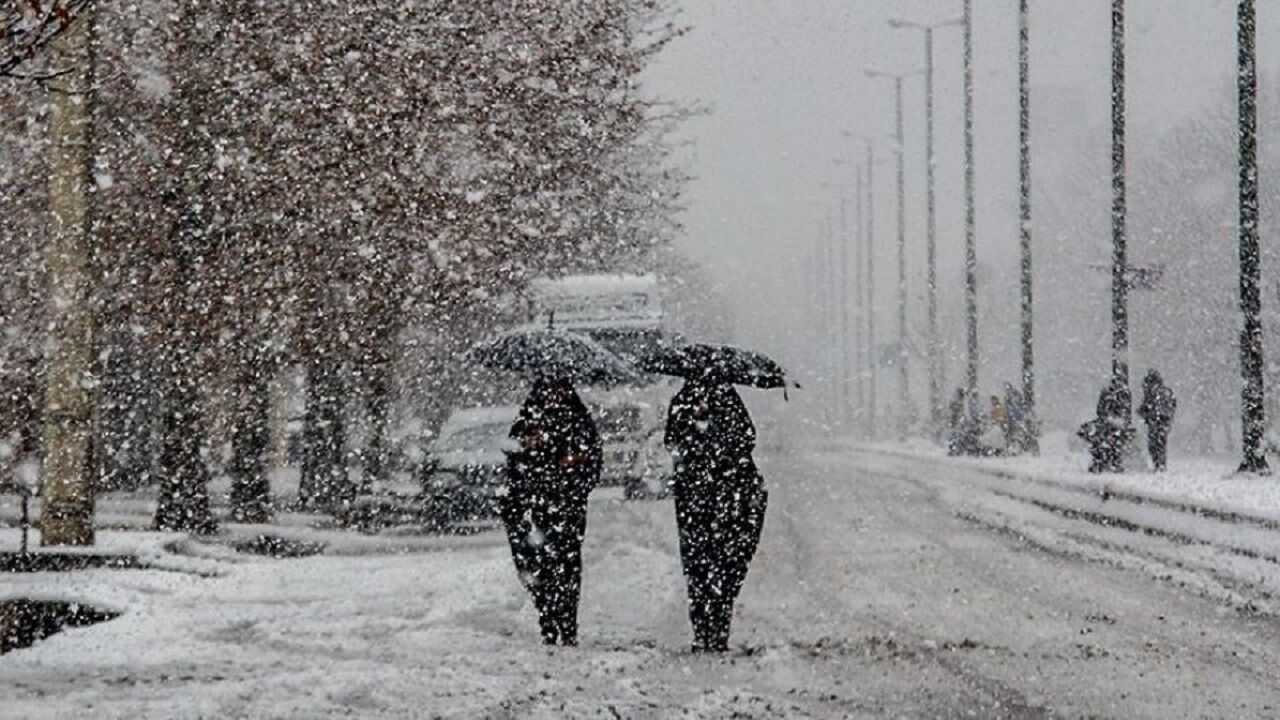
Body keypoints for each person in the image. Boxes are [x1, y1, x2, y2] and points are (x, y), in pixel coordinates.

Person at [665, 380, 767, 653]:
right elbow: (672, 443)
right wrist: (694, 422)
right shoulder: (682, 404)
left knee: (727, 565)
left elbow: (746, 440)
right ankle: (703, 632)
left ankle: (718, 628)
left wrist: (714, 425)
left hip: (730, 498)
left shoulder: (729, 402)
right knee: (697, 567)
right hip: (695, 501)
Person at [501, 378, 602, 646]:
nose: (554, 396)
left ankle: (567, 623)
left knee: (566, 566)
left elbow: (592, 462)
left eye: (560, 390)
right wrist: (527, 449)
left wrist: (572, 467)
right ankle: (547, 617)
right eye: (549, 390)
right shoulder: (527, 421)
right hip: (532, 508)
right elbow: (513, 462)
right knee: (535, 565)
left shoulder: (579, 422)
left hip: (566, 507)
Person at [1079, 379, 1134, 473]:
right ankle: (1108, 462)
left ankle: (1104, 462)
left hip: (1112, 423)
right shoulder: (1122, 395)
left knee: (1106, 443)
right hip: (1113, 423)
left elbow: (1101, 408)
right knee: (1109, 444)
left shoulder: (1110, 395)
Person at [1137, 369, 1176, 471]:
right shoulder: (1166, 392)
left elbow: (1147, 406)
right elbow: (1173, 405)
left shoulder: (1153, 393)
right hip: (1164, 422)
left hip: (1155, 421)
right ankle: (1161, 465)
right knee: (1161, 444)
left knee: (1154, 445)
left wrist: (1145, 413)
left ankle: (1158, 464)